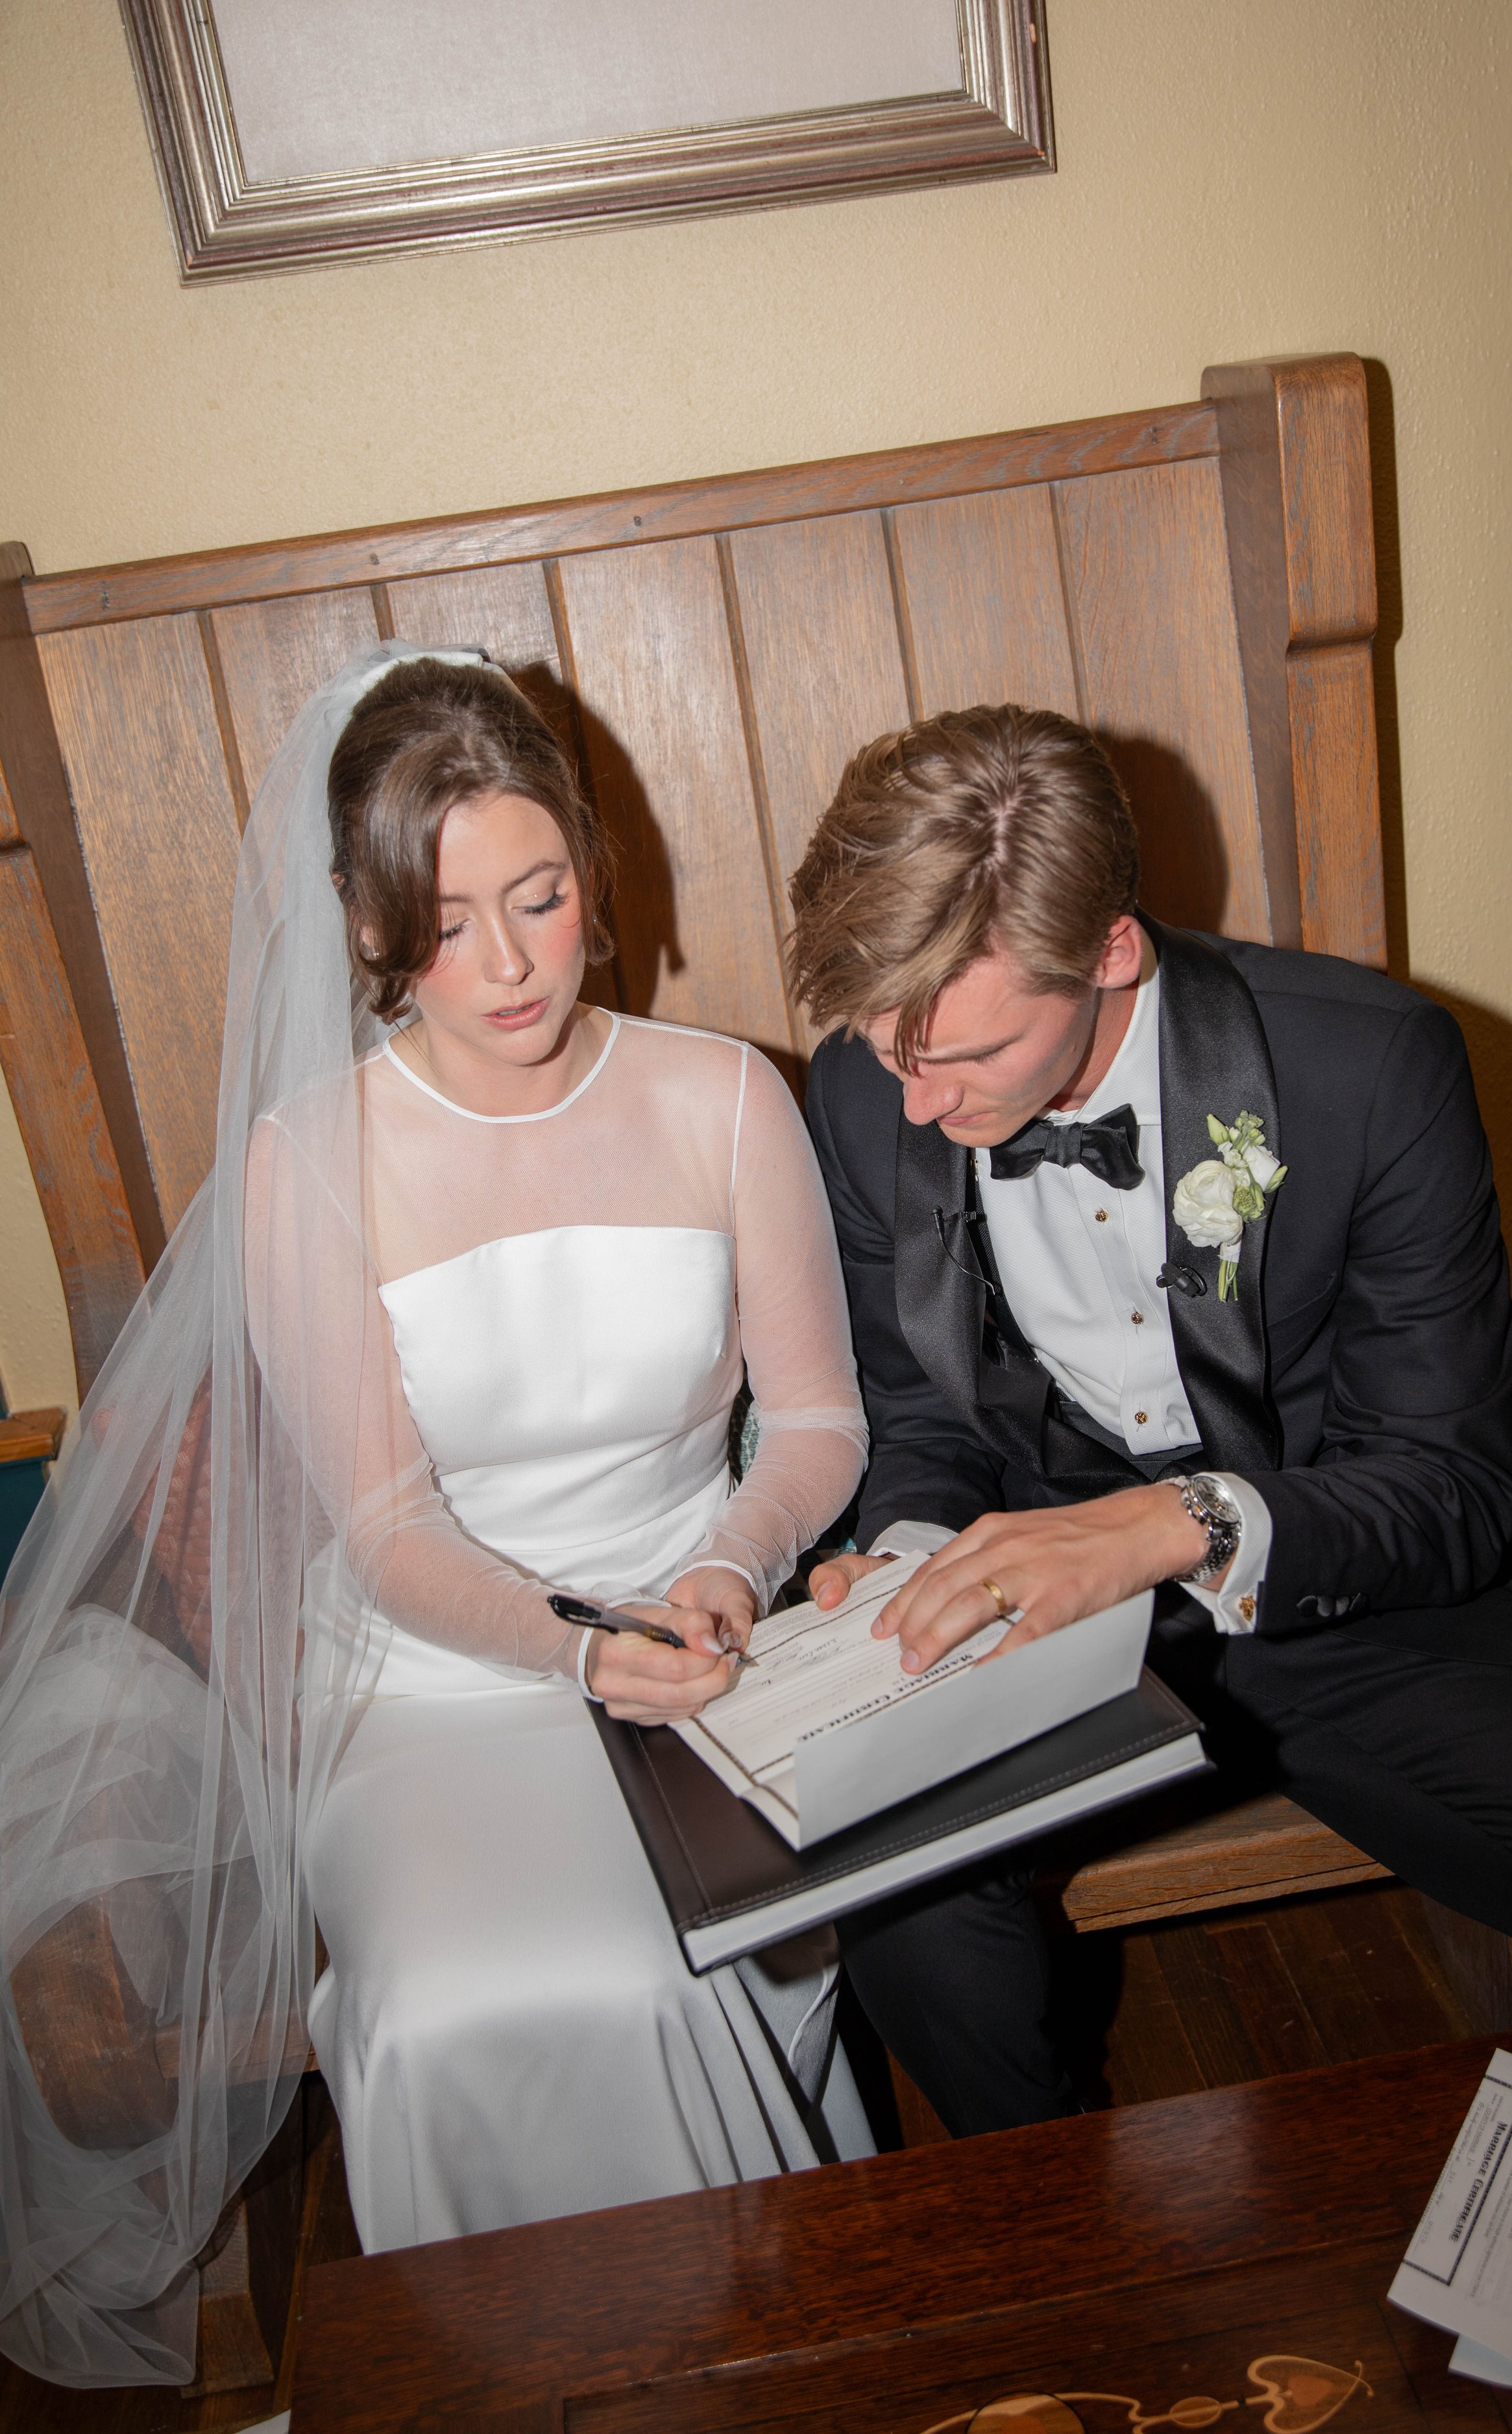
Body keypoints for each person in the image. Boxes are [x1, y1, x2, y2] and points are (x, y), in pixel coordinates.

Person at [0, 644, 870, 2389]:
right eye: (447, 918)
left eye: (539, 898)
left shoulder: (721, 1094)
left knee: (679, 1960)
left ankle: (778, 2359)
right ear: (366, 920)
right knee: (477, 1992)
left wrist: (720, 1565)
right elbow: (391, 1530)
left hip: (708, 1629)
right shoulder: (309, 1162)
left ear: (594, 873)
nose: (505, 964)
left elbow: (824, 1421)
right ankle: (514, 2375)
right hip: (433, 1677)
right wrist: (576, 1643)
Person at [788, 702, 1512, 2139]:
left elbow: (1448, 1487)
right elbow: (920, 1412)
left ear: (1110, 949)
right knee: (903, 1914)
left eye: (965, 1056)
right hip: (1037, 1622)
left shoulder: (1369, 1069)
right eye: (882, 1047)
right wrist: (911, 1553)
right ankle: (1066, 2259)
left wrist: (1170, 1527)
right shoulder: (869, 1101)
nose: (915, 1106)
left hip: (1347, 1588)